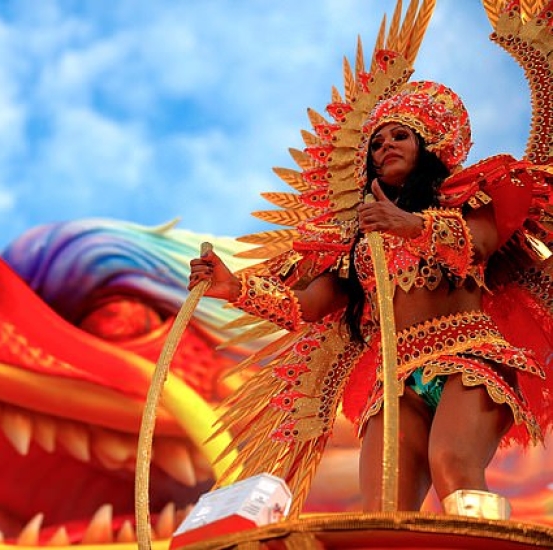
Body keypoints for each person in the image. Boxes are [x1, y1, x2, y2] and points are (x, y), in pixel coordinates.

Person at [188, 81, 552, 519]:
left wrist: (407, 225)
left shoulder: (466, 200)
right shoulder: (359, 242)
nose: (385, 148)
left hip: (469, 359)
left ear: (430, 143)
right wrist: (234, 288)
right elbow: (304, 306)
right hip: (396, 380)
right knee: (383, 507)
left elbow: (477, 244)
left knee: (452, 465)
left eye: (400, 136)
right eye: (376, 143)